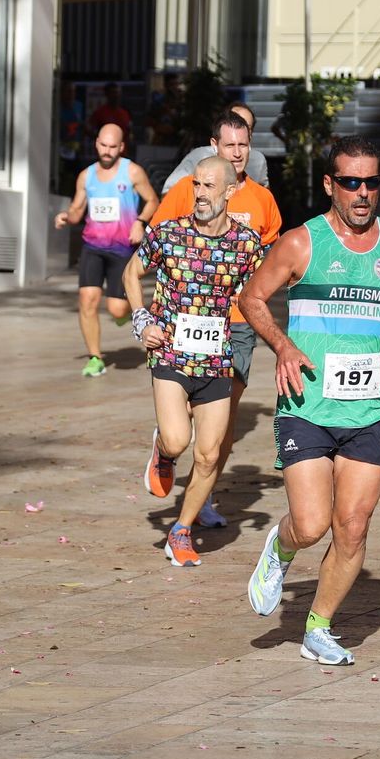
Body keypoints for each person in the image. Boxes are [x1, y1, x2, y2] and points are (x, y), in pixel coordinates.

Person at [239, 135, 380, 665]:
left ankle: (319, 627)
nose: (363, 193)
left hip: (371, 408)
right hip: (307, 403)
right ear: (330, 185)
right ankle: (280, 551)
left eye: (372, 182)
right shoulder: (302, 243)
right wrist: (282, 346)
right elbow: (251, 297)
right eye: (351, 182)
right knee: (311, 524)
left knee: (353, 524)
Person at [124, 156, 264, 567]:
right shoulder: (169, 234)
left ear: (230, 191)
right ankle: (164, 453)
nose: (200, 194)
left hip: (216, 360)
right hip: (169, 351)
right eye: (196, 186)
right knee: (179, 441)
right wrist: (141, 319)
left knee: (209, 454)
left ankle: (181, 530)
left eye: (208, 186)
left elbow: (269, 282)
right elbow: (132, 273)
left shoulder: (245, 244)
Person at [145, 112, 282, 527]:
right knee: (181, 421)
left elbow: (271, 261)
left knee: (222, 420)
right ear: (215, 146)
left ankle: (201, 496)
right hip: (182, 323)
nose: (238, 152)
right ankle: (168, 447)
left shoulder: (262, 199)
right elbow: (158, 245)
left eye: (244, 145)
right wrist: (150, 313)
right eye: (230, 145)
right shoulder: (195, 191)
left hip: (238, 324)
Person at [55, 123, 159, 377]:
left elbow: (153, 200)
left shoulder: (132, 172)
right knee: (87, 301)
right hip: (92, 246)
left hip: (122, 249)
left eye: (113, 147)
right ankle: (95, 357)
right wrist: (66, 216)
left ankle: (124, 313)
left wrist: (140, 222)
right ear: (96, 143)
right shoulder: (86, 176)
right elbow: (78, 209)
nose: (107, 151)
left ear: (121, 147)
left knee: (117, 309)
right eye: (103, 145)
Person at [163, 101, 271, 189]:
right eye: (231, 123)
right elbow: (169, 193)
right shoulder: (200, 156)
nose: (237, 153)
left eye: (245, 126)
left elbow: (265, 200)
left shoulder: (258, 160)